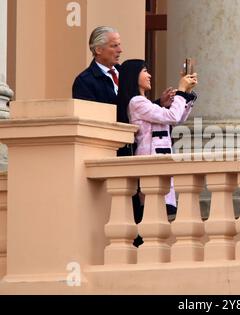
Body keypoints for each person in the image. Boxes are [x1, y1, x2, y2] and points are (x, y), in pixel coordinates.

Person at [116, 59, 197, 231]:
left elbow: (178, 118)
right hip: (150, 163)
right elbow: (173, 116)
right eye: (145, 71)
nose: (149, 75)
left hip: (159, 161)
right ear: (133, 76)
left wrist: (187, 93)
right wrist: (181, 90)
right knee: (151, 218)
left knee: (158, 218)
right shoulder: (136, 102)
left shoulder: (144, 103)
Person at [72, 26, 175, 156]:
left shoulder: (125, 72)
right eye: (114, 46)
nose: (120, 50)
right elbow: (91, 121)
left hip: (136, 148)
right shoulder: (85, 81)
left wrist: (160, 103)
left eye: (119, 45)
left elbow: (133, 110)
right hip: (108, 150)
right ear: (98, 49)